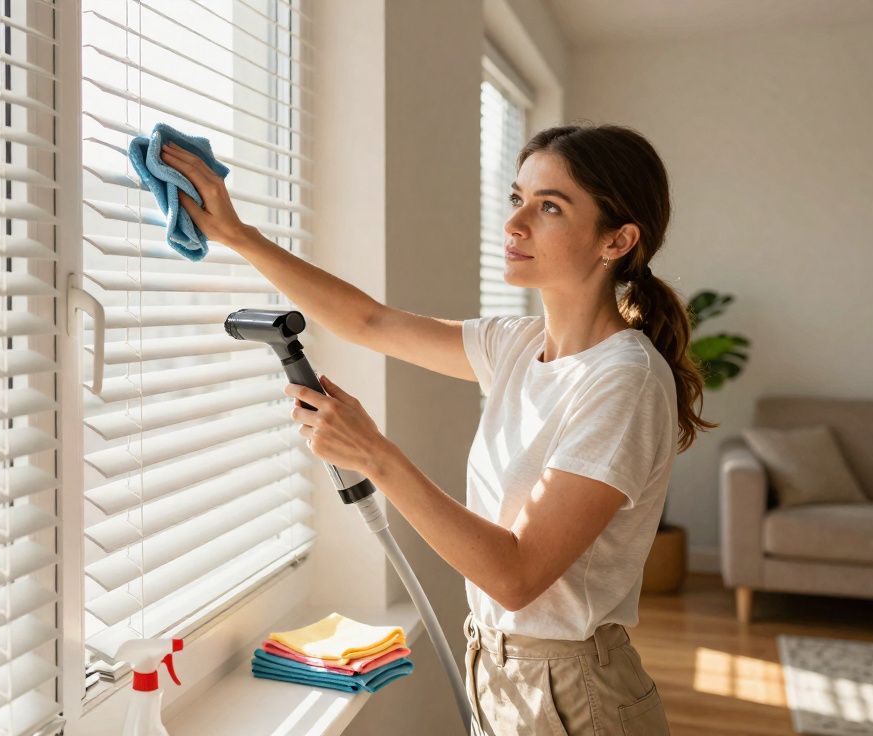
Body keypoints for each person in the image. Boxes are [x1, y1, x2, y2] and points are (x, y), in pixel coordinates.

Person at [162, 122, 716, 735]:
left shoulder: (625, 380)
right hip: (500, 671)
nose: (515, 223)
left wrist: (376, 456)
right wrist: (237, 235)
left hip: (573, 696)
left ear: (617, 239)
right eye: (518, 199)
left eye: (550, 206)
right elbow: (369, 321)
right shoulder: (519, 344)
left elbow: (517, 576)